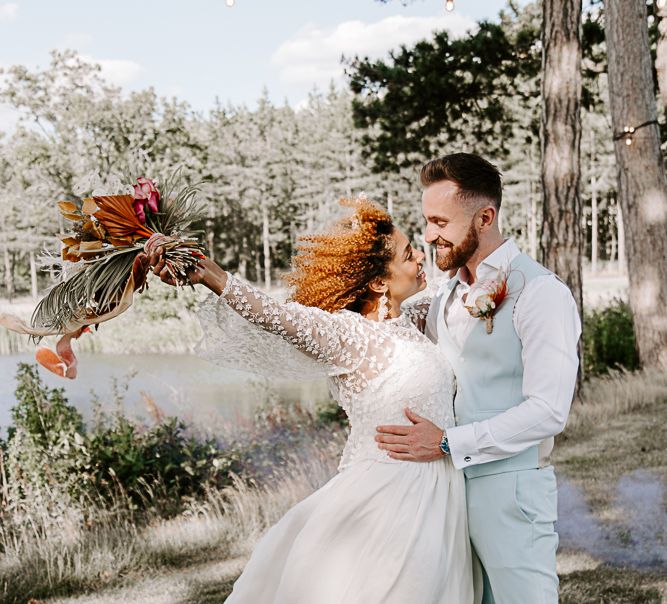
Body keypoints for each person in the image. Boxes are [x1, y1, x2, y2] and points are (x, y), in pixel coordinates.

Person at [143, 197, 475, 604]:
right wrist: (204, 271)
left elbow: (462, 290)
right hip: (389, 501)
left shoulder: (418, 317)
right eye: (409, 254)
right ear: (377, 283)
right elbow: (276, 316)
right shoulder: (350, 337)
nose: (419, 257)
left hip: (440, 495)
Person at [375, 153, 582, 604]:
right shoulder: (445, 296)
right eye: (426, 222)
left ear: (485, 217)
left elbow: (549, 411)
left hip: (512, 496)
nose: (429, 236)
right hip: (445, 498)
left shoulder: (542, 293)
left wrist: (449, 442)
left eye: (440, 222)